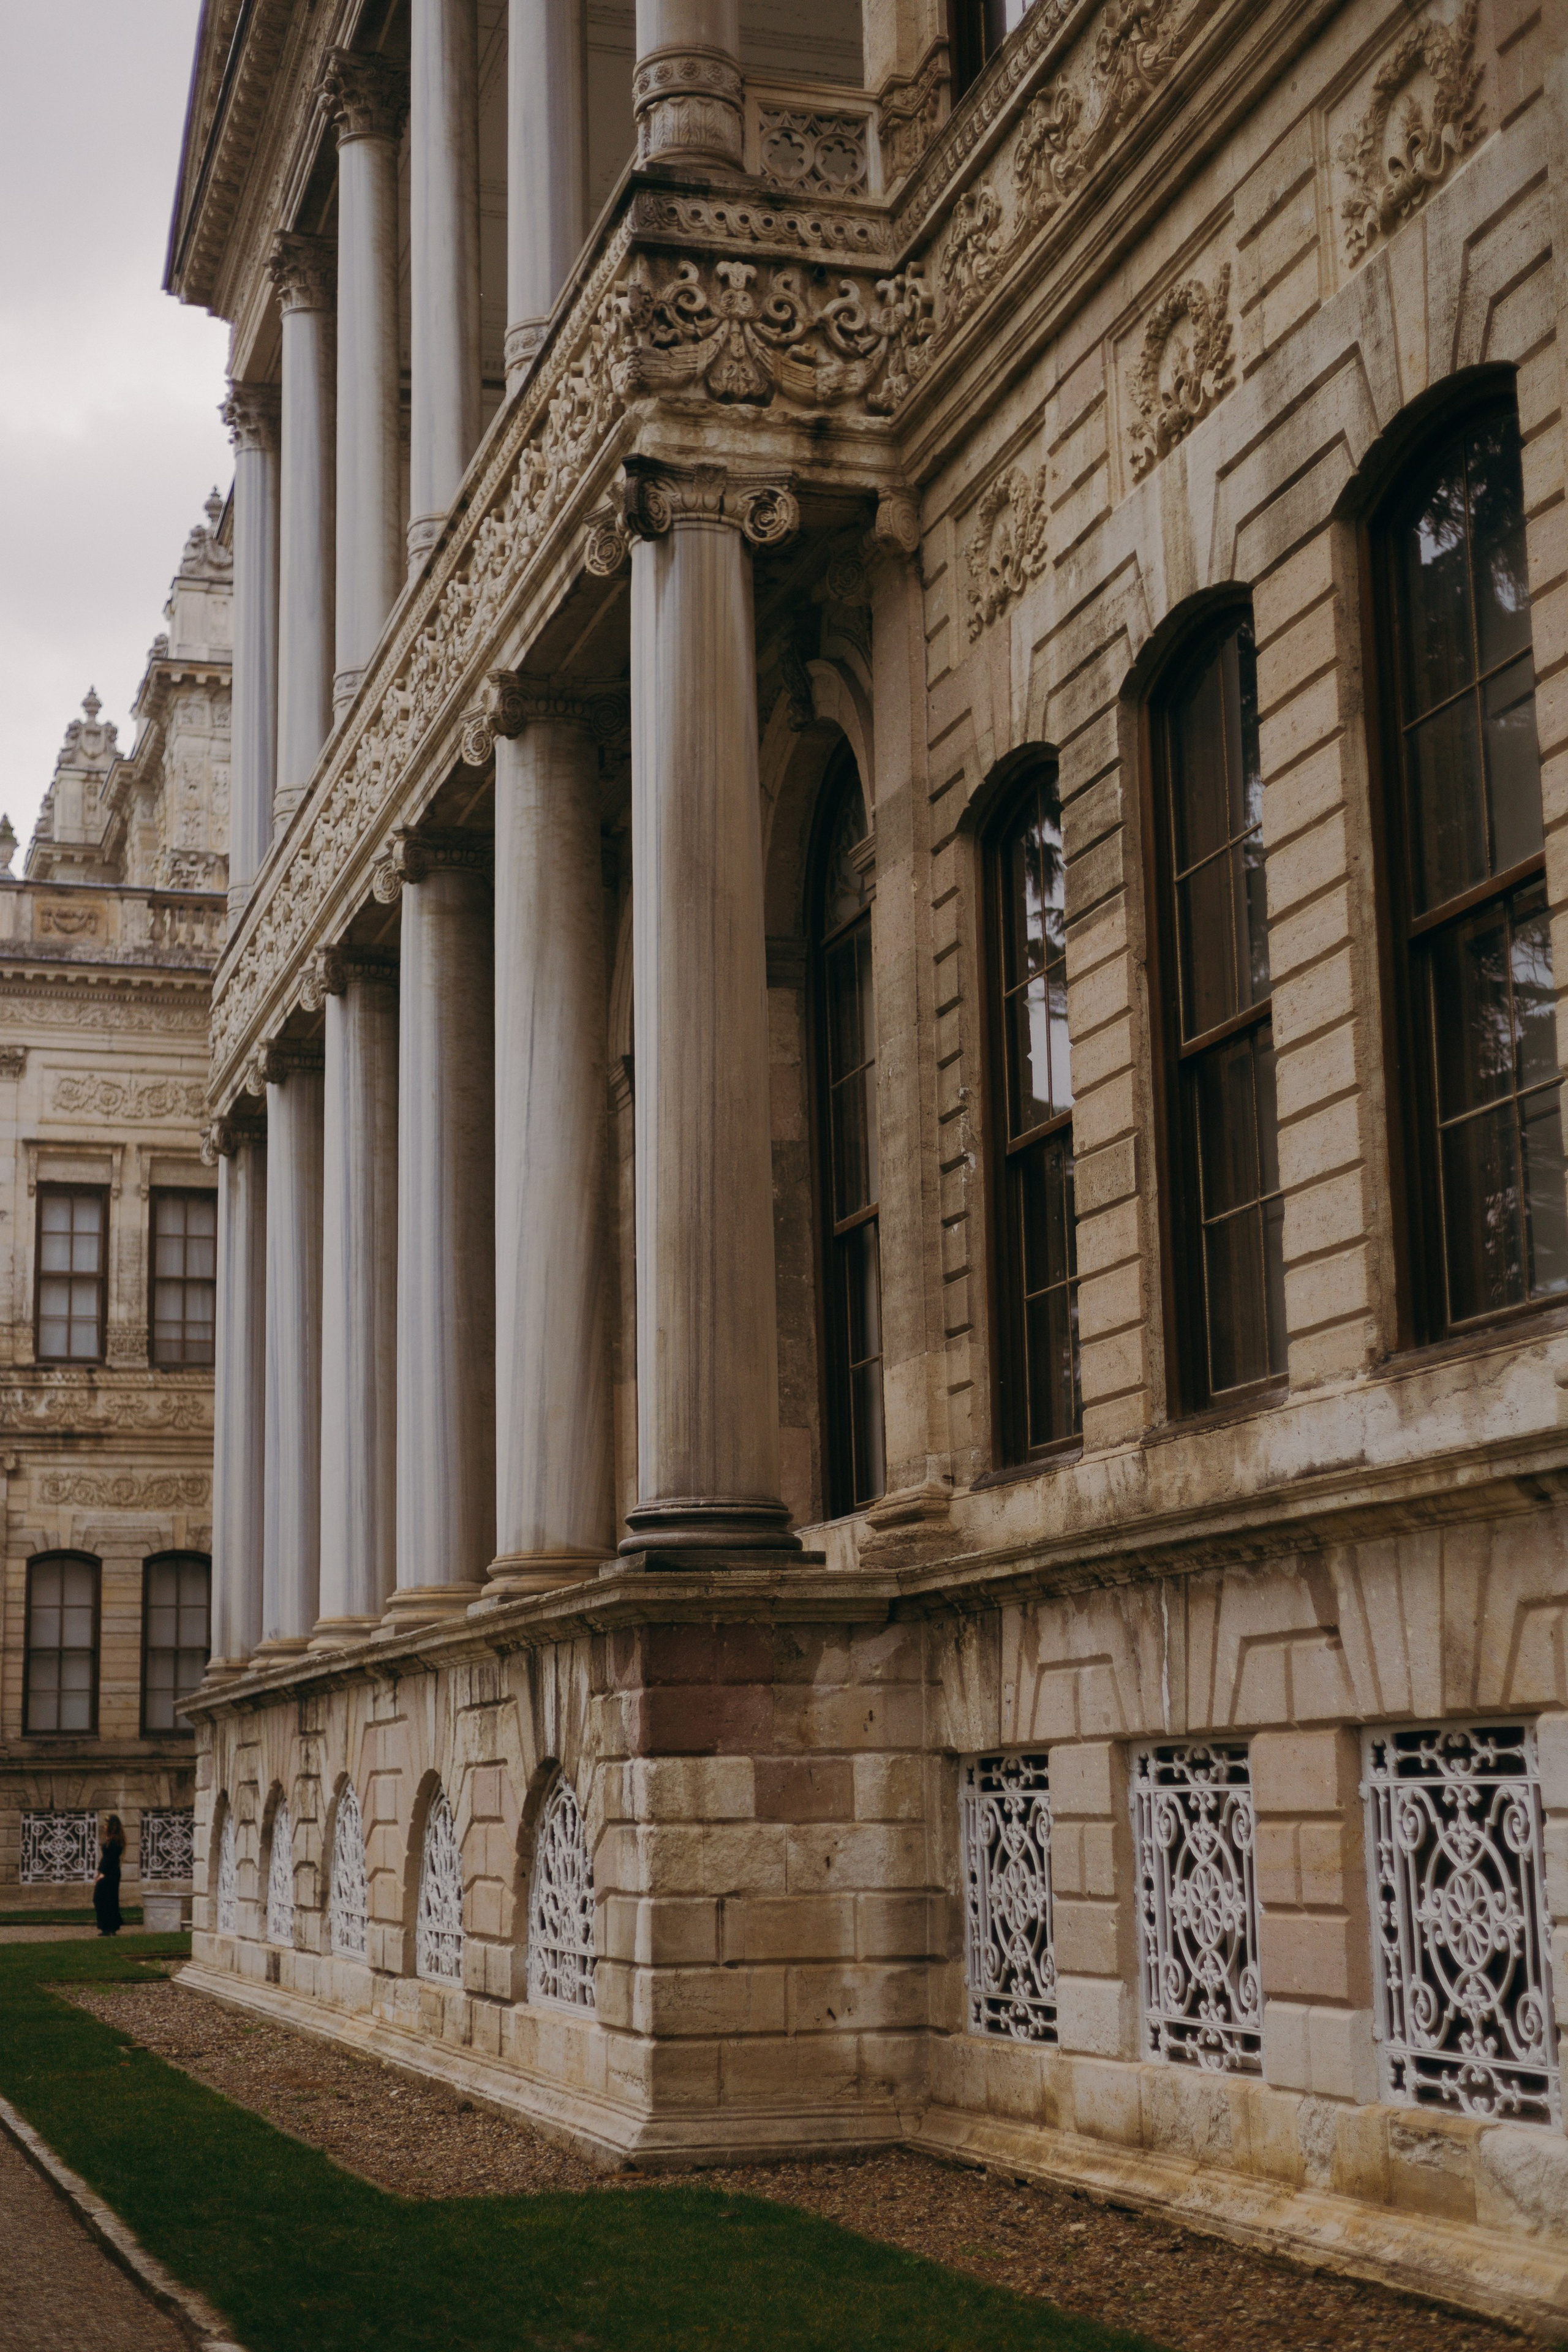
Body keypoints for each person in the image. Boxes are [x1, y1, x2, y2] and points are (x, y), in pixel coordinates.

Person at [93, 1815, 125, 1937]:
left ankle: (109, 1927)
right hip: (109, 1872)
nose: (104, 1826)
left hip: (109, 1874)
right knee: (107, 1899)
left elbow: (109, 1859)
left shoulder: (114, 1841)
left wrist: (102, 1873)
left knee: (102, 1899)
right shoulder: (113, 1840)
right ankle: (109, 1927)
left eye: (107, 1824)